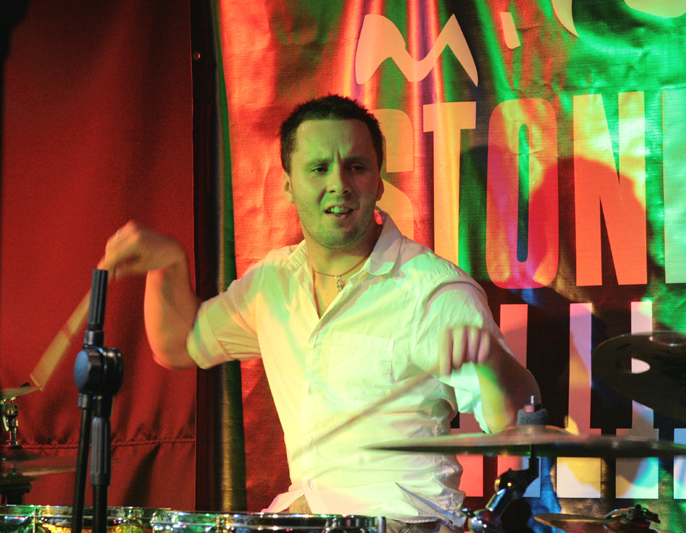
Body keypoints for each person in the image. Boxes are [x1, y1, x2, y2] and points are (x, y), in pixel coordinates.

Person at [101, 94, 540, 531]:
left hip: (402, 520)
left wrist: (492, 363)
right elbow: (179, 345)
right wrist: (168, 266)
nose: (339, 183)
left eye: (356, 167)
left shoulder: (433, 291)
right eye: (318, 168)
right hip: (305, 514)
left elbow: (519, 424)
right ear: (288, 184)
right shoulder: (273, 282)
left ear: (379, 181)